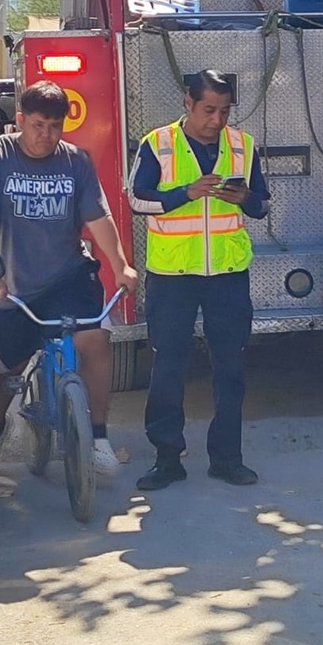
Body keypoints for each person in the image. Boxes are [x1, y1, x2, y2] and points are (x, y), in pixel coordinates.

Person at [0, 81, 138, 474]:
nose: (46, 135)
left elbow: (98, 218)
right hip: (9, 285)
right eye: (38, 125)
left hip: (66, 277)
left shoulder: (75, 161)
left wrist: (121, 265)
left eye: (55, 126)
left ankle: (99, 438)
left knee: (95, 340)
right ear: (20, 120)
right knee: (4, 370)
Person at [128, 69, 271, 490]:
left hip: (227, 274)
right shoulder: (158, 143)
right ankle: (166, 459)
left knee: (231, 368)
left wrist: (246, 198)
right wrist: (184, 194)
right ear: (187, 103)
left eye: (224, 111)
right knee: (168, 367)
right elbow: (136, 199)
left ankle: (227, 459)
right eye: (208, 109)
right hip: (172, 275)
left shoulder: (243, 145)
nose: (217, 120)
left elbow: (263, 205)